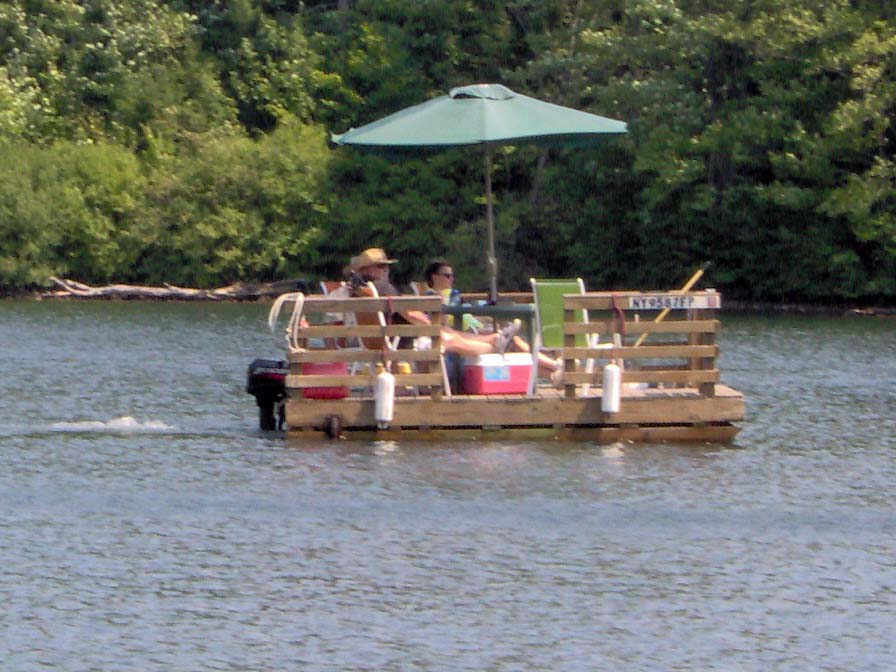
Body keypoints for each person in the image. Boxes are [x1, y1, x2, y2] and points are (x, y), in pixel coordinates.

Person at [349, 248, 520, 357]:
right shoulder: (381, 287)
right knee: (447, 338)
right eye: (380, 266)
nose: (386, 269)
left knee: (446, 332)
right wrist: (431, 325)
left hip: (378, 341)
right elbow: (410, 314)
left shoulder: (361, 290)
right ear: (366, 269)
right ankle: (497, 346)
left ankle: (495, 339)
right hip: (398, 342)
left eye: (386, 266)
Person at [423, 258, 564, 382]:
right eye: (447, 275)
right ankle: (555, 366)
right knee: (512, 343)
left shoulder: (454, 294)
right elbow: (441, 323)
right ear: (434, 277)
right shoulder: (429, 297)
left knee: (512, 344)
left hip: (473, 331)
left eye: (452, 276)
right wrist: (443, 299)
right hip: (460, 340)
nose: (451, 279)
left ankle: (553, 375)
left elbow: (464, 311)